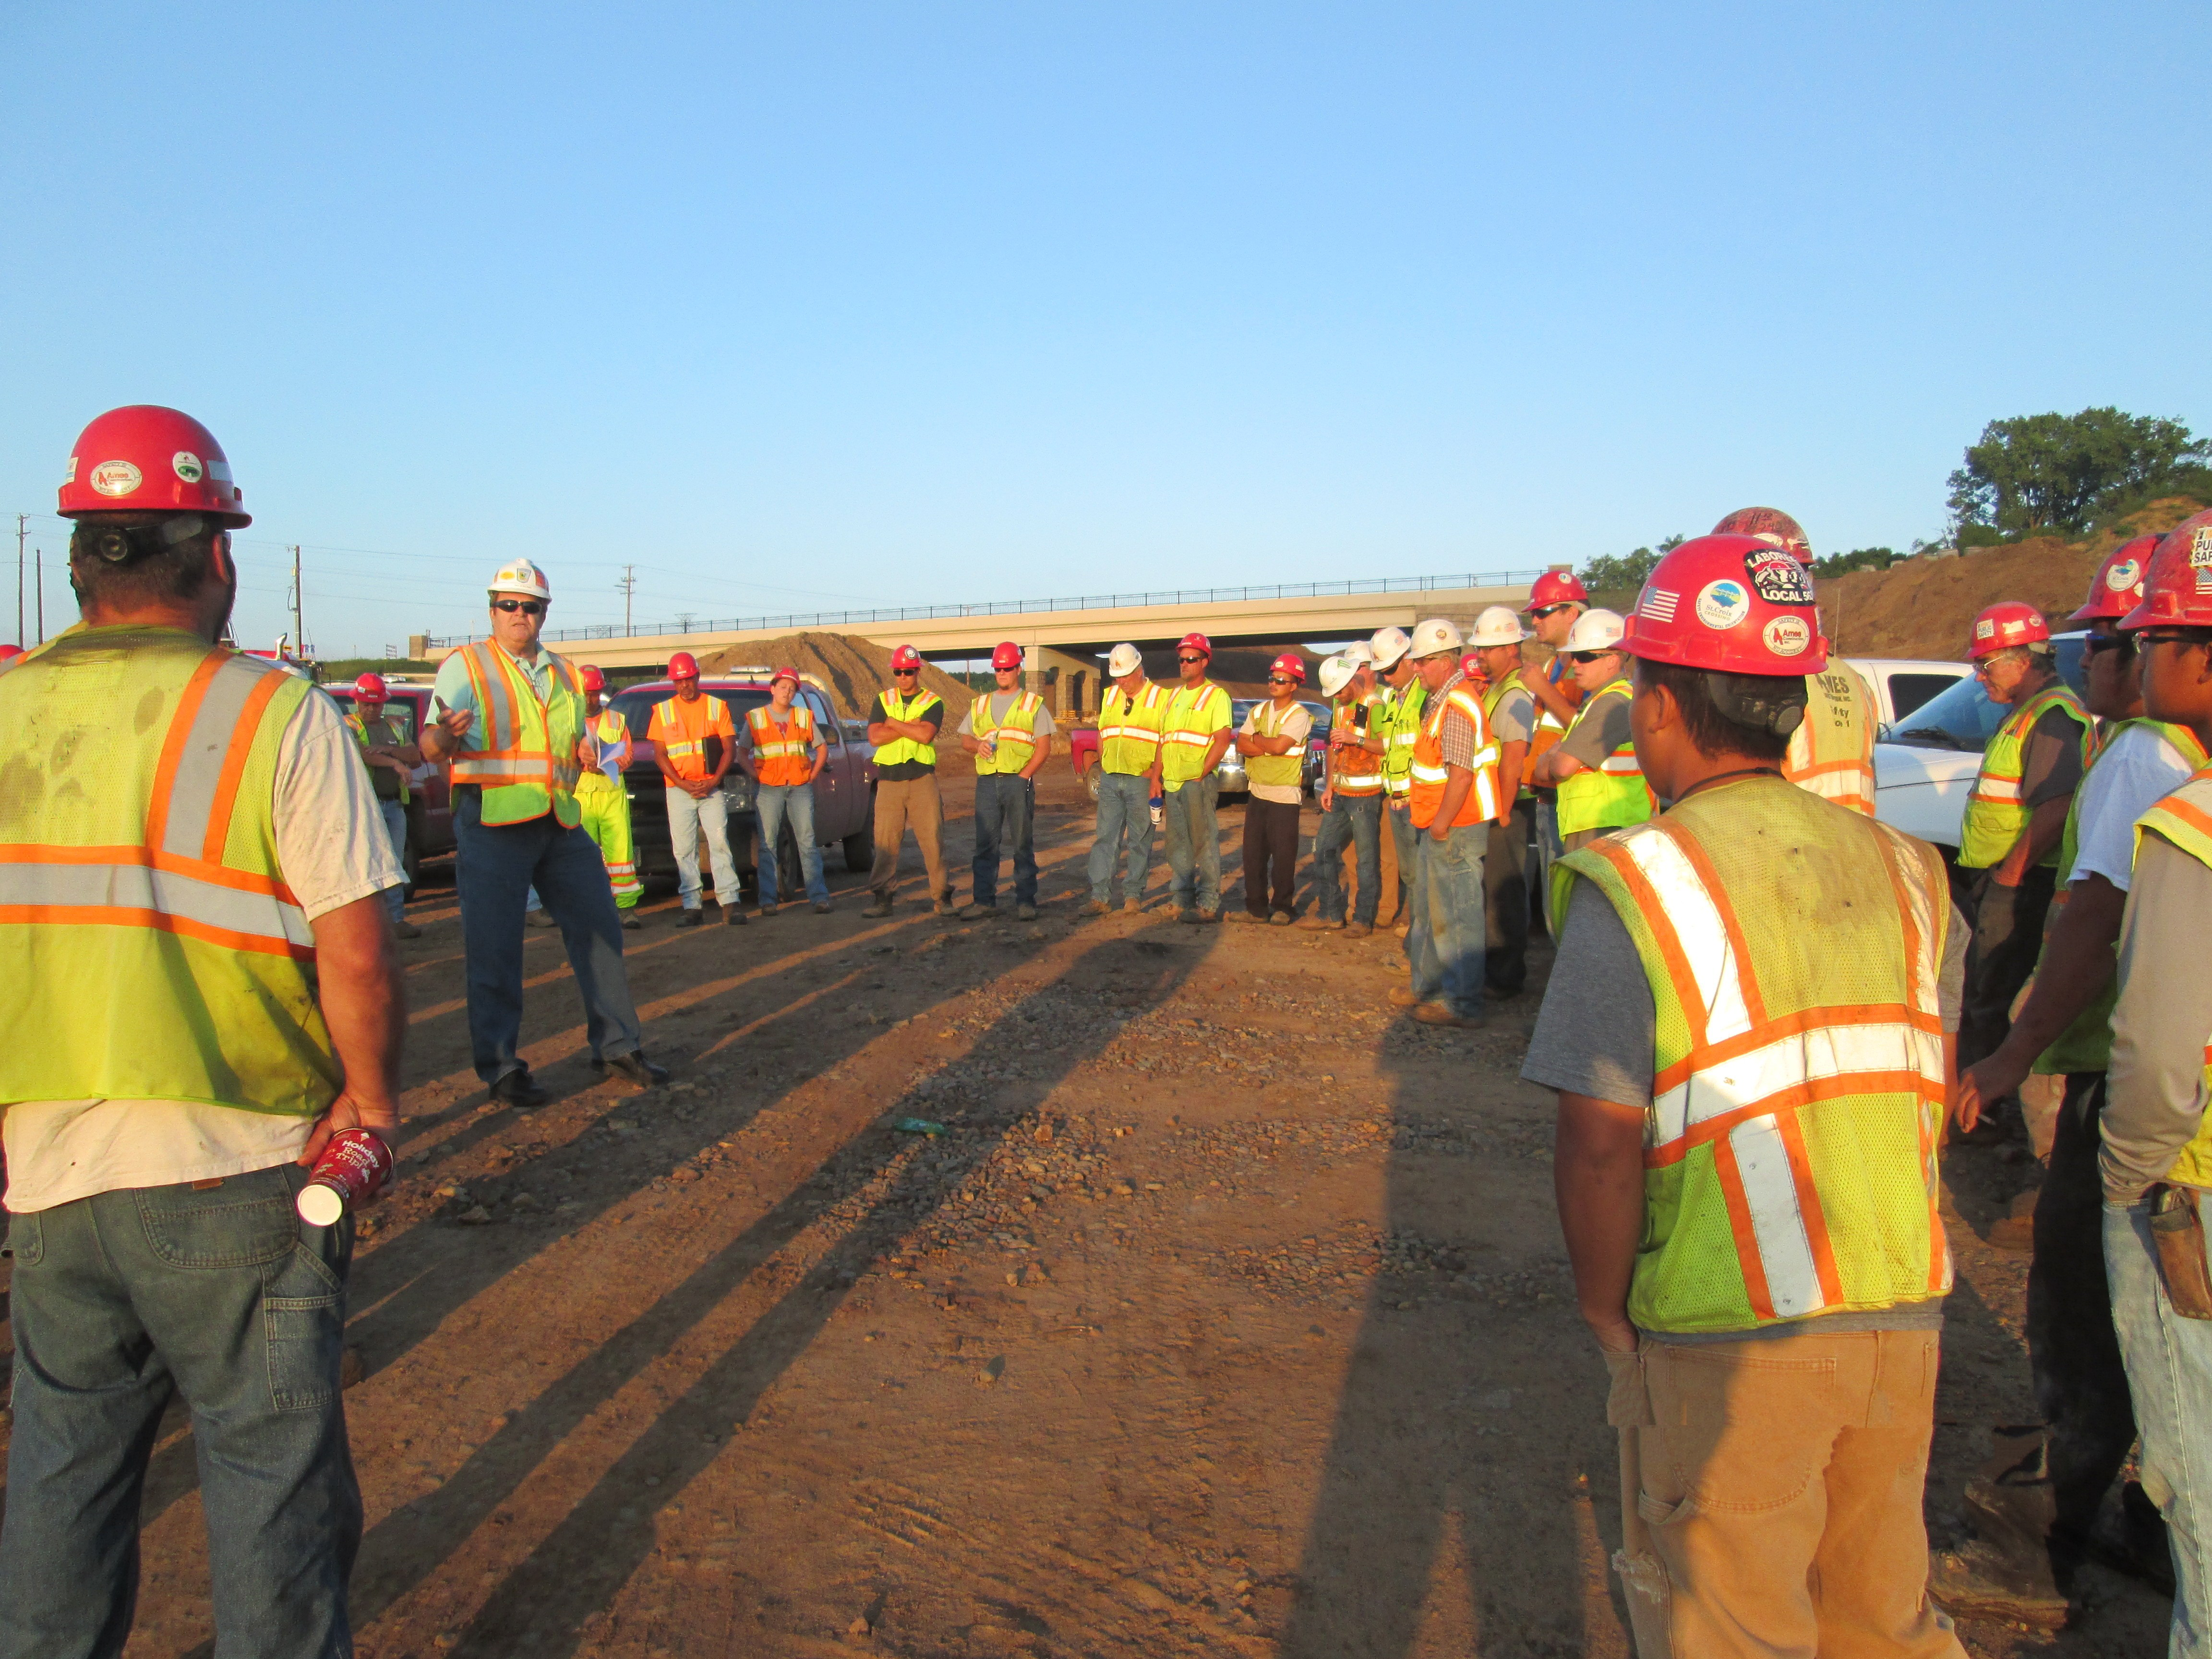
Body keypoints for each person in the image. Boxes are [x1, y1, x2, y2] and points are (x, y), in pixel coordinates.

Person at [0, 405, 407, 1655]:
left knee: (63, 1479)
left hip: (51, 1169)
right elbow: (358, 952)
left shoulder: (8, 713)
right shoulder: (279, 718)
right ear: (219, 557)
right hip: (245, 1170)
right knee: (269, 1484)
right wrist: (376, 1105)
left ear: (80, 557)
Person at [1529, 532, 1969, 1659]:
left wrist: (1601, 1307)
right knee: (1880, 1618)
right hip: (1899, 1313)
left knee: (1727, 1619)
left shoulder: (1637, 879)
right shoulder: (1908, 870)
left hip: (1730, 1331)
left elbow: (1597, 1139)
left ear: (1662, 704)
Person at [1933, 539, 2183, 1617]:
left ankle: (2033, 1546)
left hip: (2140, 1089)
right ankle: (2159, 1518)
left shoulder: (2141, 752)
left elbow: (2094, 924)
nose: (2100, 660)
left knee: (2081, 1311)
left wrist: (2010, 1053)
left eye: (2118, 642)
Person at [2092, 510, 2212, 1655]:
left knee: (2202, 1494)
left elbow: (2160, 1057)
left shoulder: (2189, 819)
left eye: (2155, 636)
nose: (2135, 656)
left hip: (2193, 1185)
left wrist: (2127, 1179)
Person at [421, 559, 665, 1104]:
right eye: (509, 605)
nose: (519, 615)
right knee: (495, 947)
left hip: (559, 820)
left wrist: (582, 753)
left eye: (529, 607)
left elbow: (571, 750)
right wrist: (443, 735)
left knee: (601, 927)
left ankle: (617, 1045)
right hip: (492, 821)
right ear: (492, 609)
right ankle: (502, 1069)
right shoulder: (465, 667)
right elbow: (431, 749)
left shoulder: (565, 673)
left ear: (543, 614)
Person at [1955, 602, 2094, 1094]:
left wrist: (2009, 878)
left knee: (1990, 994)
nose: (1979, 676)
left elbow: (2055, 808)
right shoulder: (2028, 713)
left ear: (2025, 659)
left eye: (1986, 665)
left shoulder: (2053, 717)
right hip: (2005, 878)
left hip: (2021, 883)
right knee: (1983, 989)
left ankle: (1982, 1107)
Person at [1386, 619, 1499, 1028]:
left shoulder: (1456, 704)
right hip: (1438, 822)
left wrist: (1440, 825)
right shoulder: (1439, 700)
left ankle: (1461, 1003)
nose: (1415, 669)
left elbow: (1462, 775)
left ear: (1445, 660)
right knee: (1435, 910)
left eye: (1423, 662)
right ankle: (1430, 990)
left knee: (1457, 914)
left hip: (1455, 826)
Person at [1531, 609, 1654, 850]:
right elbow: (1544, 771)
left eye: (1585, 656)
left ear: (1613, 659)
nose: (1574, 663)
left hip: (1608, 828)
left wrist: (1552, 756)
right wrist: (1552, 759)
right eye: (1574, 655)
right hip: (1602, 826)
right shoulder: (1599, 702)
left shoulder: (1613, 703)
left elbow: (1562, 768)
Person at [959, 641, 1054, 919]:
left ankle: (1026, 901)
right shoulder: (980, 704)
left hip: (1018, 781)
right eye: (998, 668)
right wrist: (976, 746)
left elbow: (1044, 746)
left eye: (1007, 668)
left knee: (1022, 843)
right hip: (987, 781)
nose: (1002, 672)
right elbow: (965, 738)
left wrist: (1024, 776)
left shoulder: (1033, 704)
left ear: (1019, 669)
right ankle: (984, 901)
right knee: (986, 844)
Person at [648, 650, 743, 927]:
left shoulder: (717, 707)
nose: (685, 686)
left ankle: (730, 902)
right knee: (684, 850)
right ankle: (692, 906)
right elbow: (660, 754)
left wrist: (713, 781)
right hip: (679, 790)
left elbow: (729, 748)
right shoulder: (663, 711)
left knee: (719, 843)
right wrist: (682, 784)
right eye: (679, 682)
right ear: (673, 683)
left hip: (710, 788)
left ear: (697, 677)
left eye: (688, 679)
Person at [1469, 606, 1536, 998]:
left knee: (1503, 891)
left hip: (1506, 807)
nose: (1481, 656)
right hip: (1494, 804)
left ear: (1511, 648)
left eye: (1489, 649)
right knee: (1491, 890)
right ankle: (1496, 969)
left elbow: (1513, 760)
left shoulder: (1514, 694)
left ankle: (1506, 975)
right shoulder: (1497, 689)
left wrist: (1504, 811)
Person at [866, 644, 955, 918]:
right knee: (885, 843)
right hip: (889, 781)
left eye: (909, 671)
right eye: (899, 671)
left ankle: (942, 899)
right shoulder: (883, 700)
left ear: (918, 672)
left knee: (933, 841)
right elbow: (874, 738)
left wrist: (892, 724)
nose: (903, 676)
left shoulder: (933, 702)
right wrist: (908, 727)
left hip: (921, 780)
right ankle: (883, 899)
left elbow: (925, 736)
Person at [739, 666, 833, 915]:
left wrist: (811, 776)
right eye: (783, 687)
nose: (787, 692)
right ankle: (768, 901)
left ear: (795, 694)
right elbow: (741, 752)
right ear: (773, 689)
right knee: (767, 844)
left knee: (808, 842)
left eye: (791, 689)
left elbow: (822, 749)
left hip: (800, 787)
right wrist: (756, 775)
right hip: (769, 789)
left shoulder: (804, 716)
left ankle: (819, 897)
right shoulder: (756, 718)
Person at [1306, 649, 1386, 935]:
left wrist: (1357, 739)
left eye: (1339, 690)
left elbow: (1386, 746)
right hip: (1340, 793)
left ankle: (1363, 919)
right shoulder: (1340, 708)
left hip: (1366, 795)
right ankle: (1331, 912)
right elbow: (1333, 747)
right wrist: (1329, 786)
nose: (1336, 697)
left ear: (1353, 679)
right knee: (1324, 848)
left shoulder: (1375, 706)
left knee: (1366, 859)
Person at [1518, 568, 1591, 885]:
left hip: (1573, 803)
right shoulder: (1551, 666)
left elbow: (1587, 727)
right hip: (1547, 798)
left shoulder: (1590, 664)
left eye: (1543, 612)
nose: (1535, 621)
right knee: (1554, 905)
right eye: (1534, 614)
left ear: (1572, 612)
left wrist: (1543, 688)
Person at [1084, 642, 1166, 914]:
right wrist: (1104, 764)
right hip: (1111, 778)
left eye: (1127, 675)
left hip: (1141, 780)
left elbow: (1163, 742)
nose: (1122, 682)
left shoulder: (1160, 698)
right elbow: (1102, 733)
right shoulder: (1110, 696)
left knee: (1140, 840)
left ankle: (1133, 896)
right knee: (1105, 839)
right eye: (1118, 676)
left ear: (1140, 669)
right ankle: (1100, 898)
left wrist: (1156, 776)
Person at [1230, 653, 1313, 925]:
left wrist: (1258, 742)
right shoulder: (1258, 711)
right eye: (1272, 678)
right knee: (1253, 856)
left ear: (1294, 685)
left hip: (1284, 795)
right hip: (1258, 792)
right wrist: (1265, 744)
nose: (1274, 683)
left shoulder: (1299, 715)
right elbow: (1242, 745)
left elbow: (1280, 747)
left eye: (1281, 680)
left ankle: (1282, 908)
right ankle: (1256, 908)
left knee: (1284, 857)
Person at [345, 671, 425, 938]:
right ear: (357, 702)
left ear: (383, 703)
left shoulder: (394, 726)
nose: (370, 708)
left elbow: (415, 756)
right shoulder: (349, 726)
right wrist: (394, 762)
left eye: (375, 703)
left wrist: (389, 751)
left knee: (394, 863)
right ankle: (370, 925)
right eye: (366, 703)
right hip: (365, 806)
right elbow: (363, 755)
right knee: (367, 864)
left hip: (394, 805)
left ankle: (395, 920)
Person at [1161, 631, 1233, 924]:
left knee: (1204, 841)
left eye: (1191, 659)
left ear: (1205, 661)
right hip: (1173, 781)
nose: (1185, 664)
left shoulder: (1216, 696)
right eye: (1182, 659)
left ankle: (1208, 904)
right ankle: (1181, 899)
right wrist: (1158, 778)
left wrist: (1201, 774)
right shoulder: (1174, 695)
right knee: (1178, 843)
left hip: (1197, 782)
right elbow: (1163, 740)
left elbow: (1222, 739)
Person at [575, 664, 644, 929]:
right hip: (581, 796)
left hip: (612, 795)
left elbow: (627, 755)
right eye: (586, 693)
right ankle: (587, 910)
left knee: (621, 854)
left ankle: (627, 909)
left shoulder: (617, 720)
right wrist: (581, 761)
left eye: (595, 693)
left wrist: (605, 765)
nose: (591, 699)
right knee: (583, 857)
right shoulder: (570, 721)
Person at [1370, 625, 1425, 936]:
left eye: (1391, 668)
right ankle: (1418, 932)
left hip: (1419, 800)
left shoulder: (1423, 695)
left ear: (1408, 659)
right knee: (1410, 873)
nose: (1386, 676)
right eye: (1382, 671)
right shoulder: (1394, 698)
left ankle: (1423, 937)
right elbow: (1393, 748)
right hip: (1398, 799)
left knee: (1423, 873)